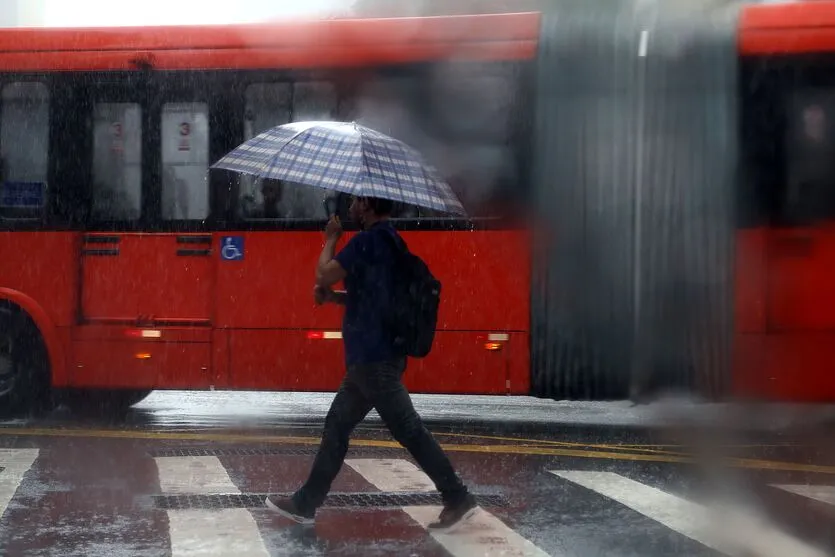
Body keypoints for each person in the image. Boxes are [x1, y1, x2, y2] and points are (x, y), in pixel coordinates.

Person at [265, 195, 478, 530]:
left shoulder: (367, 241)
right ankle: (305, 503)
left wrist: (331, 238)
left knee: (409, 431)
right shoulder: (391, 240)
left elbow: (323, 273)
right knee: (338, 425)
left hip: (373, 359)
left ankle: (457, 495)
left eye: (354, 201)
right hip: (376, 357)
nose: (349, 206)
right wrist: (335, 297)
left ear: (365, 206)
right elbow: (373, 299)